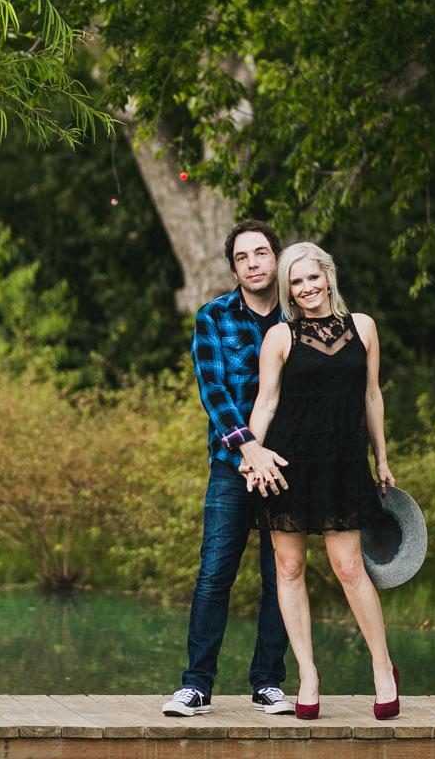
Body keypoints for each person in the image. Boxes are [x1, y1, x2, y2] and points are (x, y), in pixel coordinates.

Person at [241, 241, 400, 720]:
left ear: (328, 276)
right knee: (288, 569)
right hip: (290, 465)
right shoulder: (280, 337)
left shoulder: (364, 327)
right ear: (288, 289)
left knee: (349, 567)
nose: (306, 288)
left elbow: (372, 396)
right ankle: (308, 674)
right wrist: (252, 453)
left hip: (344, 462)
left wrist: (382, 458)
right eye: (296, 281)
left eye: (313, 277)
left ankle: (383, 669)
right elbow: (267, 402)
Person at [162, 220, 296, 717]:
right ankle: (196, 686)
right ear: (234, 267)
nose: (254, 263)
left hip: (289, 468)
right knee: (214, 575)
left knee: (282, 574)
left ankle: (268, 684)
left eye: (262, 253)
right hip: (231, 466)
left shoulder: (299, 318)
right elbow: (214, 395)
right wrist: (248, 450)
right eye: (243, 257)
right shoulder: (213, 318)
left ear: (276, 257)